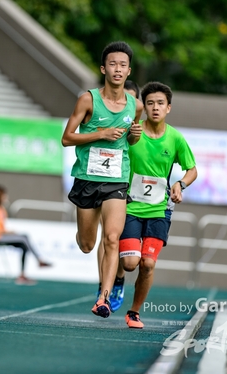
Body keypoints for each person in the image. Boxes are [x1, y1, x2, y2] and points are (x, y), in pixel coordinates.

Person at [62, 41, 143, 318]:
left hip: (116, 180)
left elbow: (132, 139)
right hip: (87, 178)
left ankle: (103, 298)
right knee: (88, 244)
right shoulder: (88, 100)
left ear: (128, 70)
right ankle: (85, 231)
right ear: (103, 68)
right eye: (112, 64)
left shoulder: (136, 106)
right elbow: (66, 138)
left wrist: (134, 135)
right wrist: (100, 133)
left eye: (122, 65)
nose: (117, 69)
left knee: (112, 238)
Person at [117, 82, 197, 329]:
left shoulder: (175, 138)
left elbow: (192, 170)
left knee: (148, 263)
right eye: (150, 102)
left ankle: (134, 312)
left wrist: (180, 185)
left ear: (168, 108)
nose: (155, 107)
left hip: (159, 210)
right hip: (130, 207)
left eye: (160, 103)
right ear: (144, 106)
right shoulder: (133, 133)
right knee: (130, 263)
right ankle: (118, 275)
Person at [95, 79, 141, 310]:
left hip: (136, 194)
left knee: (127, 256)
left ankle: (118, 278)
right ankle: (105, 285)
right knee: (109, 236)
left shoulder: (140, 131)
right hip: (113, 186)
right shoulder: (107, 124)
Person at [0, 185, 52, 285]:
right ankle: (39, 260)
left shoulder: (1, 209)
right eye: (4, 196)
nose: (6, 198)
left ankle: (22, 275)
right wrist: (7, 232)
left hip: (2, 236)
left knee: (24, 245)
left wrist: (7, 232)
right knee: (24, 237)